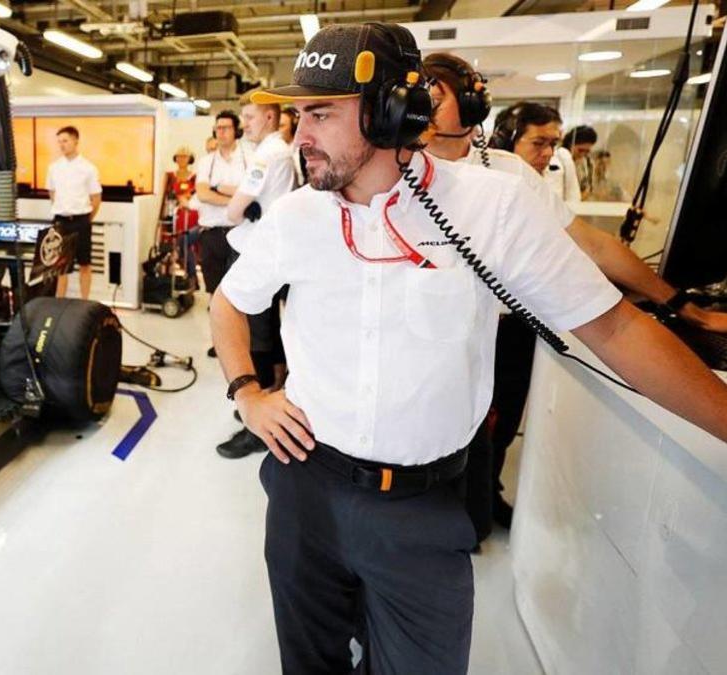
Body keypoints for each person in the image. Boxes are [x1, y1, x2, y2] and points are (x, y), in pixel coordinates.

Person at [212, 23, 727, 674]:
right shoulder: (295, 216)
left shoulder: (493, 206)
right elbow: (230, 301)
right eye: (296, 113)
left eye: (319, 113)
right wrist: (248, 392)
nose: (299, 134)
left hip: (423, 508)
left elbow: (617, 329)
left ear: (390, 111)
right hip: (305, 487)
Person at [424, 51, 727, 539]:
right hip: (432, 341)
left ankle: (480, 509)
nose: (422, 103)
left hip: (506, 330)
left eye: (436, 93)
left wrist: (680, 304)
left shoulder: (507, 175)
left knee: (495, 432)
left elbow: (591, 243)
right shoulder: (392, 173)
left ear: (473, 105)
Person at [213, 95, 297, 459]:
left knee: (256, 335)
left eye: (248, 117)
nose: (244, 123)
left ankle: (260, 421)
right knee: (267, 330)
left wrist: (237, 210)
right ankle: (266, 396)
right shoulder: (280, 150)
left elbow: (234, 209)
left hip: (258, 250)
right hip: (272, 247)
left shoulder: (267, 154)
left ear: (268, 116)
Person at [193, 111, 247, 306]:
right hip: (212, 234)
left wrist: (218, 189)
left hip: (241, 232)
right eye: (218, 128)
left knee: (240, 295)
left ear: (236, 131)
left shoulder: (248, 158)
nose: (221, 132)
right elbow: (202, 194)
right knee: (215, 295)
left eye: (226, 128)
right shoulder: (206, 162)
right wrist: (238, 198)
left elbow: (253, 192)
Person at [46, 125, 102, 300]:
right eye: (59, 142)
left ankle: (85, 301)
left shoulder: (88, 168)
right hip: (60, 221)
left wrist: (85, 219)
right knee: (61, 265)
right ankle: (59, 301)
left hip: (81, 220)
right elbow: (52, 193)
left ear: (75, 141)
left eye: (65, 141)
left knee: (85, 263)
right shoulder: (54, 167)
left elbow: (96, 198)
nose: (62, 145)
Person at [489, 102, 581, 203]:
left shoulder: (559, 168)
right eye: (538, 143)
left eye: (553, 144)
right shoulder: (486, 179)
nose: (549, 153)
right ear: (506, 143)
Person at [165, 146, 199, 286]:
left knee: (185, 244)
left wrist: (187, 198)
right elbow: (166, 196)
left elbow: (198, 195)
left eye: (184, 156)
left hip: (190, 215)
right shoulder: (170, 176)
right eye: (179, 156)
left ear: (190, 159)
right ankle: (179, 278)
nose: (181, 159)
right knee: (174, 245)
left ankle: (192, 276)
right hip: (175, 215)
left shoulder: (195, 177)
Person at [563, 124, 598, 199]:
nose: (583, 154)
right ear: (570, 144)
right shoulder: (559, 161)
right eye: (580, 150)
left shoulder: (589, 164)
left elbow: (589, 188)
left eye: (587, 151)